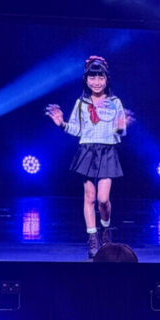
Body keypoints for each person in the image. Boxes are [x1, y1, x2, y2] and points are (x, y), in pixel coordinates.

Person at [46, 55, 131, 259]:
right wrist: (61, 124)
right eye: (92, 77)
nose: (96, 82)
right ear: (86, 79)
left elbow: (120, 132)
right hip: (87, 150)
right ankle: (93, 239)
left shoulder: (114, 102)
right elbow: (77, 129)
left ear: (107, 79)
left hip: (107, 150)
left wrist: (121, 127)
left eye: (100, 77)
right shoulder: (81, 103)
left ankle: (105, 230)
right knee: (89, 198)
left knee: (103, 199)